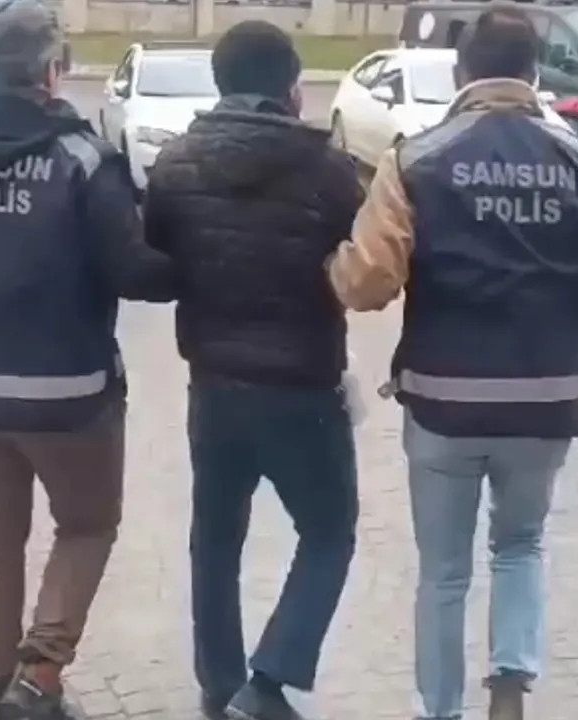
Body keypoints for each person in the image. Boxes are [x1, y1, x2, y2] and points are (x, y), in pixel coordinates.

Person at [326, 7, 578, 720]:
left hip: (443, 399)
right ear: (535, 72)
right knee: (520, 544)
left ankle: (441, 710)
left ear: (462, 71)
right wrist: (575, 319)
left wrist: (335, 266)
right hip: (547, 396)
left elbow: (368, 283)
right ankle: (511, 677)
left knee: (444, 574)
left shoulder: (414, 160)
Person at [0, 1, 174, 719]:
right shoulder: (83, 160)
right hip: (68, 395)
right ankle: (38, 677)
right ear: (54, 69)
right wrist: (198, 259)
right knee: (86, 526)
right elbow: (135, 272)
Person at [142, 20, 364, 720]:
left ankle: (219, 684)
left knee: (215, 538)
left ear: (220, 83)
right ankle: (267, 683)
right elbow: (361, 259)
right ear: (292, 88)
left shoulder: (174, 164)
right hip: (304, 388)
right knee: (329, 531)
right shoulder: (328, 170)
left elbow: (156, 259)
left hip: (214, 384)